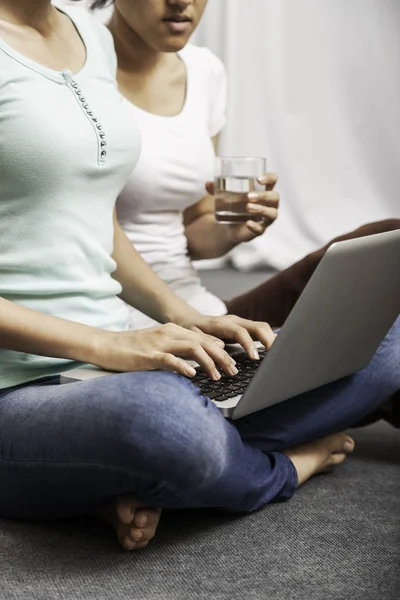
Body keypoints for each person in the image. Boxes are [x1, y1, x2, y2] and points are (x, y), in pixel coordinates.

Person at [0, 0, 399, 556]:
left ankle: (113, 475)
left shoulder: (88, 36)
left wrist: (190, 317)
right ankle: (273, 471)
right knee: (164, 419)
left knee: (381, 343)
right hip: (19, 386)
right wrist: (114, 345)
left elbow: (97, 217)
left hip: (112, 369)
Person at [98, 0, 400, 331]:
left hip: (205, 315)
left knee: (385, 242)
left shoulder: (204, 71)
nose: (182, 2)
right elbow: (88, 233)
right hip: (129, 328)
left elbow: (193, 228)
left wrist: (230, 229)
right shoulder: (81, 69)